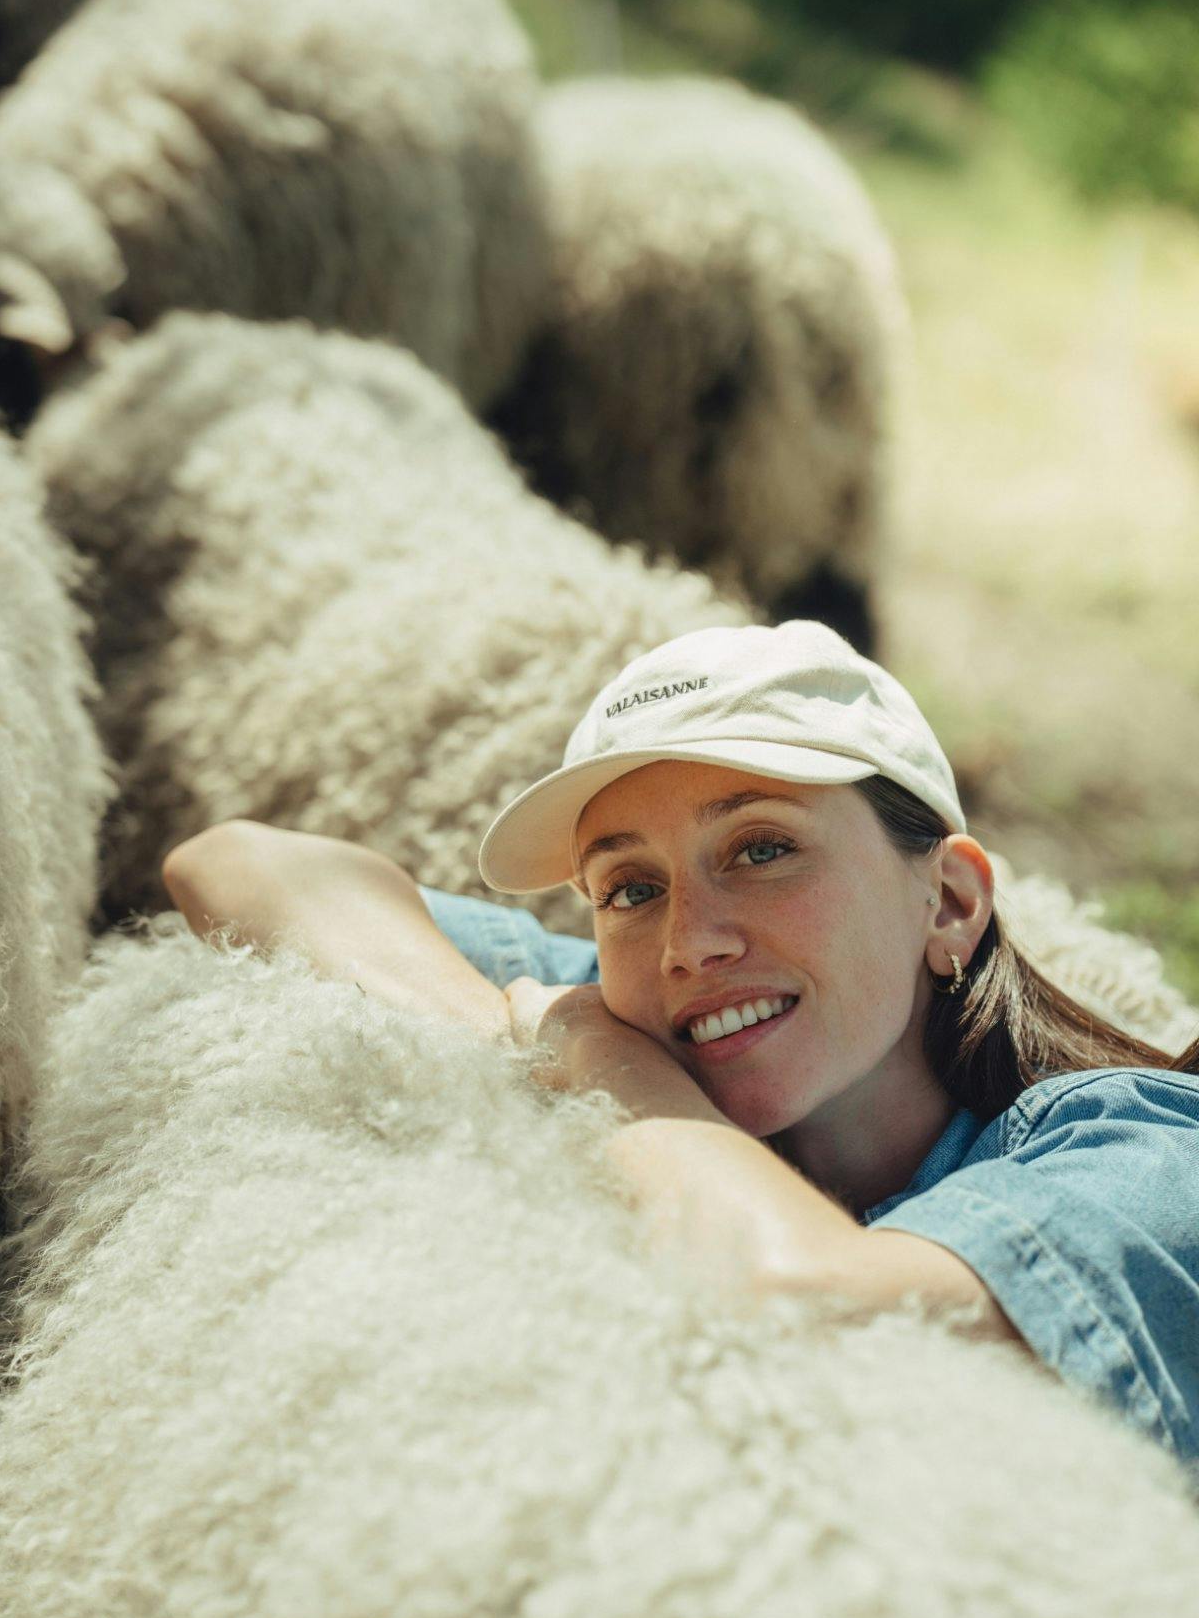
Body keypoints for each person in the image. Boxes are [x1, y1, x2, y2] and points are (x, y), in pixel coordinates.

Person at [162, 621, 1199, 1474]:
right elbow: (242, 864)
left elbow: (803, 1306)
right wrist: (527, 1035)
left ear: (949, 901)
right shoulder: (626, 1000)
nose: (687, 943)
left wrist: (604, 1071)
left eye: (760, 849)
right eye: (629, 886)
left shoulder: (1144, 1160)